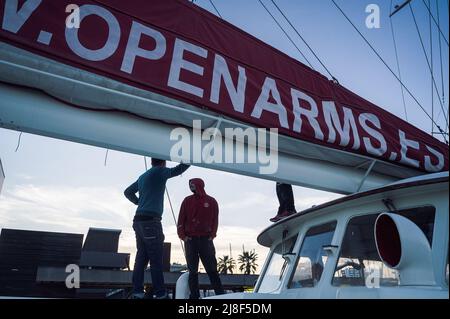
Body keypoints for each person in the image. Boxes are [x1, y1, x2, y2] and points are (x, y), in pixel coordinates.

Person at [124, 158, 190, 299]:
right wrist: (192, 159)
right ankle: (160, 294)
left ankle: (137, 292)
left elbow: (128, 192)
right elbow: (178, 170)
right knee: (156, 259)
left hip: (139, 220)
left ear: (152, 161)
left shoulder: (143, 176)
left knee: (141, 258)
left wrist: (139, 202)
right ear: (163, 162)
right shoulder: (160, 171)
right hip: (151, 222)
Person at [177, 178, 225, 299]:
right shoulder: (187, 200)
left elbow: (215, 219)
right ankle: (194, 296)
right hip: (190, 240)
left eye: (192, 184)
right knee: (192, 271)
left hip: (206, 240)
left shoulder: (212, 201)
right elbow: (181, 219)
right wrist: (183, 236)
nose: (190, 186)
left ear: (199, 184)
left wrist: (212, 235)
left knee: (212, 270)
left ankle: (220, 295)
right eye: (189, 185)